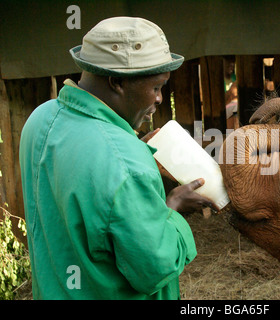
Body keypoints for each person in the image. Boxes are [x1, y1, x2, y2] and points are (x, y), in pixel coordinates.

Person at [19, 17, 218, 300]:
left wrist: (128, 147)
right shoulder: (125, 162)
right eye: (157, 87)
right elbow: (155, 267)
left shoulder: (40, 118)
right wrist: (172, 209)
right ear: (117, 82)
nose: (160, 99)